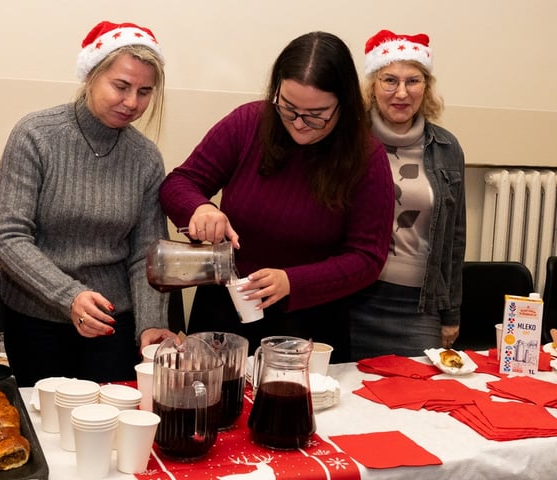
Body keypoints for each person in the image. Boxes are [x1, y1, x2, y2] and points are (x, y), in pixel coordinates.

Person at [159, 31, 394, 361]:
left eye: (316, 114)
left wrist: (293, 282)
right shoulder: (248, 124)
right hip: (224, 316)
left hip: (310, 323)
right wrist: (199, 209)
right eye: (288, 108)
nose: (299, 123)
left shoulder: (366, 157)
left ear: (345, 103)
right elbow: (179, 184)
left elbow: (367, 258)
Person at [0, 21, 177, 387]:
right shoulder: (36, 135)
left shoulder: (146, 158)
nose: (132, 102)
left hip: (112, 323)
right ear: (91, 74)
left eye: (144, 91)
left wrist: (152, 322)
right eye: (121, 86)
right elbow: (7, 236)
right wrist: (68, 295)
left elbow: (147, 253)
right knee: (46, 429)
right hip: (36, 319)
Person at [348, 30, 466, 359]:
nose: (401, 92)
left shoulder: (446, 147)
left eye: (413, 81)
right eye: (390, 80)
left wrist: (450, 314)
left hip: (419, 308)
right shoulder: (348, 142)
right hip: (352, 301)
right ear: (373, 84)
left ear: (426, 87)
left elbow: (455, 238)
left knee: (416, 401)